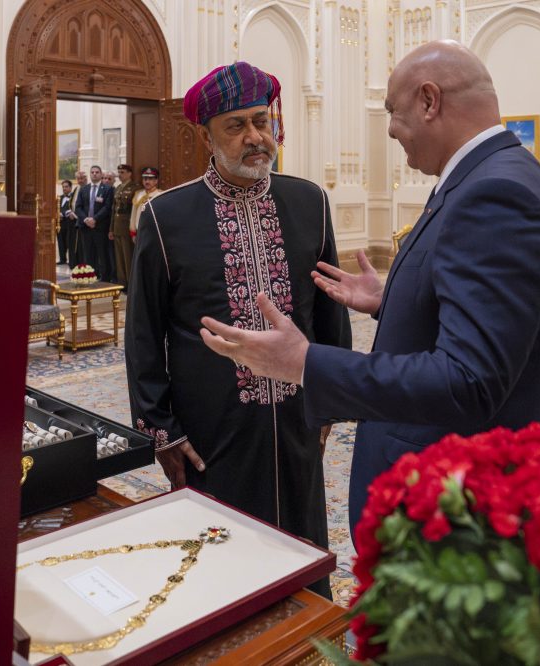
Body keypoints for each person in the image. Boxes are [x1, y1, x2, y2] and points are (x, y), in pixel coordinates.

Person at [199, 41, 540, 534]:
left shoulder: (494, 194)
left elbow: (468, 382)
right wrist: (395, 300)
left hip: (463, 503)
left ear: (428, 101)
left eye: (393, 112)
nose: (390, 129)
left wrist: (303, 362)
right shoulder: (496, 175)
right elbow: (494, 322)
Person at [125, 61, 351, 598]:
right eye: (236, 126)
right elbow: (144, 332)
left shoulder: (309, 202)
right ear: (206, 135)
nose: (254, 137)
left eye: (260, 121)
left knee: (301, 557)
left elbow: (329, 310)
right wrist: (163, 429)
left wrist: (332, 398)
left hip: (297, 421)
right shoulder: (166, 217)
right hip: (211, 430)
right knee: (221, 570)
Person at [74, 165, 114, 281]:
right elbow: (78, 207)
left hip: (100, 227)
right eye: (92, 172)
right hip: (86, 227)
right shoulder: (84, 189)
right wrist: (86, 219)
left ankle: (105, 277)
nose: (95, 174)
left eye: (97, 172)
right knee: (88, 253)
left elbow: (107, 208)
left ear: (101, 174)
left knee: (102, 253)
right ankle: (90, 275)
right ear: (90, 174)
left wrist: (94, 219)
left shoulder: (107, 189)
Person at [108, 164, 138, 290]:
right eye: (119, 172)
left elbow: (134, 210)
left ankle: (130, 283)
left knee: (127, 256)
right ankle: (122, 282)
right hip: (117, 226)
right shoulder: (118, 187)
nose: (120, 174)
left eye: (123, 172)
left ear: (130, 173)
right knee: (119, 257)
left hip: (127, 226)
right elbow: (114, 210)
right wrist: (111, 229)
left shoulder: (135, 188)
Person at [128, 167, 163, 241]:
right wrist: (133, 233)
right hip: (140, 232)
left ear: (156, 181)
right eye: (145, 179)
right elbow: (133, 215)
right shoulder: (138, 194)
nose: (147, 181)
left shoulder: (160, 195)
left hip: (155, 233)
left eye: (150, 179)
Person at [67, 170, 87, 268]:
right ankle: (74, 264)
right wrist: (70, 212)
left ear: (86, 178)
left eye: (82, 178)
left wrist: (79, 216)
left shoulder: (87, 188)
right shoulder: (76, 189)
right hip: (73, 221)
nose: (80, 180)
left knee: (82, 245)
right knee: (73, 244)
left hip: (83, 221)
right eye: (78, 178)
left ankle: (83, 265)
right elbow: (72, 203)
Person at [57, 179, 74, 265]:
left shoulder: (73, 197)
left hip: (69, 223)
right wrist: (57, 213)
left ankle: (71, 260)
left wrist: (62, 213)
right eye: (63, 187)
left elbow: (71, 209)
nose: (64, 188)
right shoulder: (60, 198)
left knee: (69, 241)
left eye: (66, 187)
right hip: (60, 223)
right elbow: (56, 208)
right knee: (61, 241)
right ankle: (62, 259)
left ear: (71, 187)